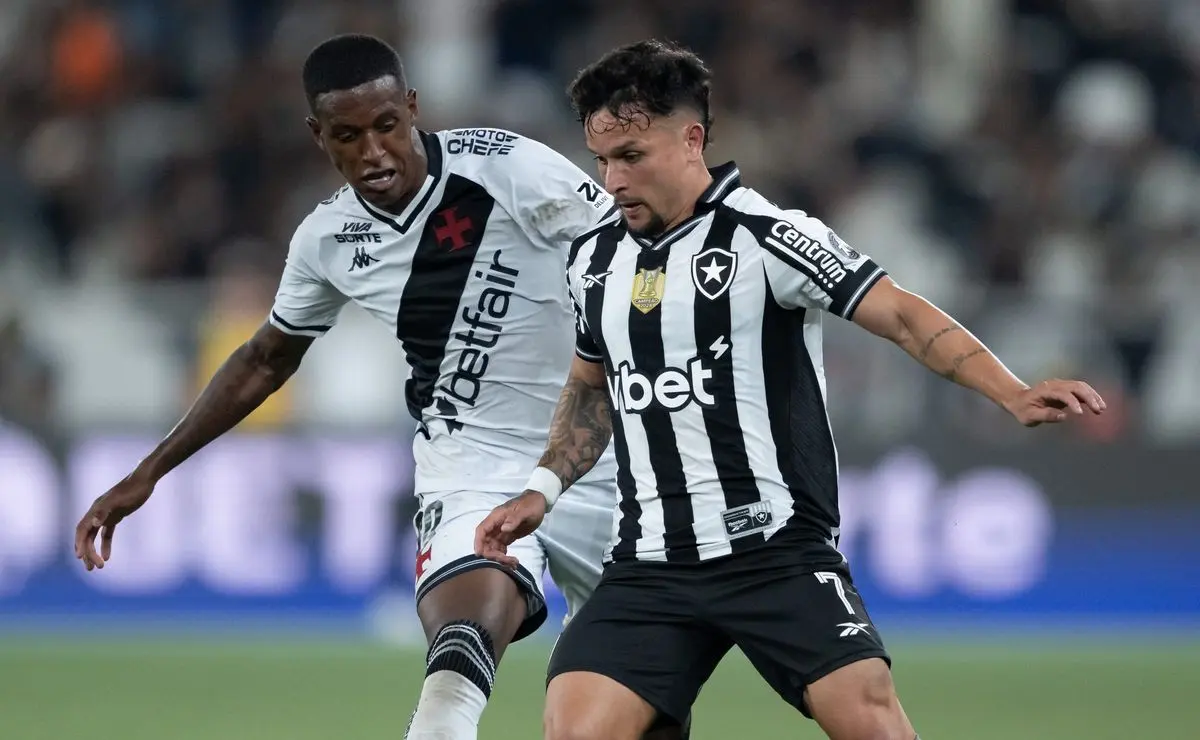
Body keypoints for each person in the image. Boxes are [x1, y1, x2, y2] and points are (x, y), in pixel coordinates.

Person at [474, 39, 1107, 740]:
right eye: (601, 160)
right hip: (651, 561)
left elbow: (899, 313)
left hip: (775, 551)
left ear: (691, 140)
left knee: (870, 719)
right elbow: (591, 387)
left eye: (631, 156)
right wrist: (542, 489)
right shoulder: (593, 259)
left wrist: (1011, 391)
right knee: (575, 728)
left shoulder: (768, 236)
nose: (612, 180)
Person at [72, 33, 688, 740]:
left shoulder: (506, 168)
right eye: (347, 136)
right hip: (472, 468)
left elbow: (638, 252)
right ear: (318, 135)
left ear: (412, 108)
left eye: (387, 126)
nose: (373, 152)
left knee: (636, 717)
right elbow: (265, 359)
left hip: (600, 457)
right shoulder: (327, 239)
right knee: (460, 651)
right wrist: (149, 472)